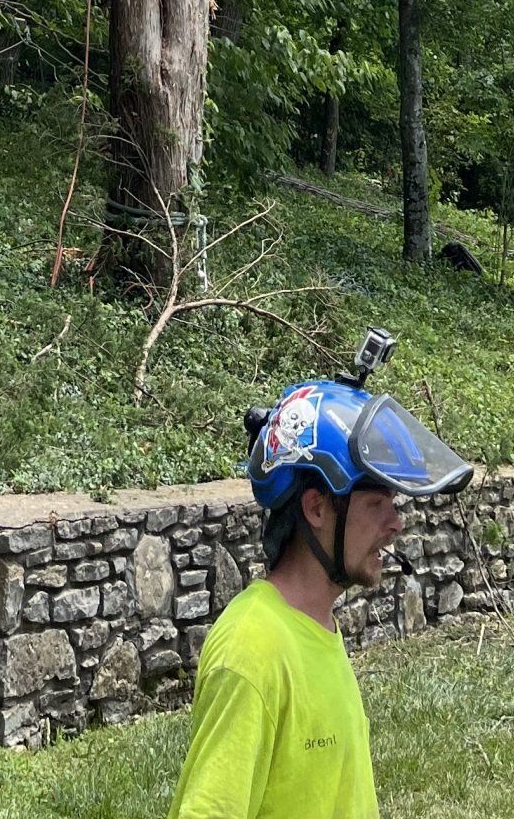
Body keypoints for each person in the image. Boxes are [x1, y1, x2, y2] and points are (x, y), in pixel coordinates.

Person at [168, 350, 474, 819]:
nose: (396, 524)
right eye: (377, 504)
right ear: (316, 508)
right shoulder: (253, 650)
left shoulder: (314, 627)